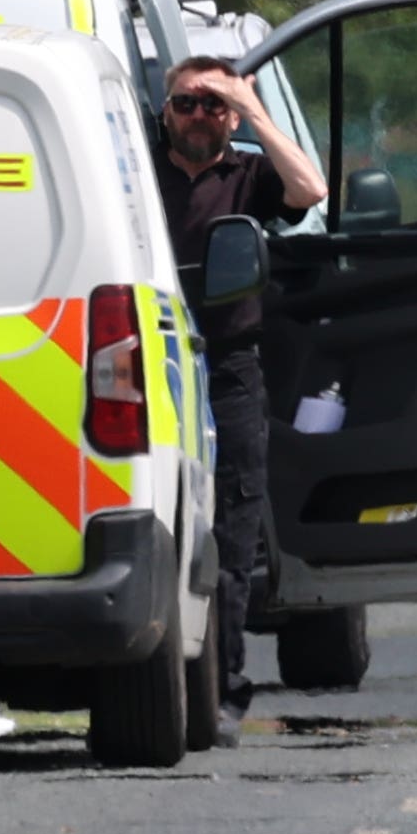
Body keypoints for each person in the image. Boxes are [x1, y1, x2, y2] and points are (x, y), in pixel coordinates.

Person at [153, 57, 323, 731]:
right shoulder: (134, 169)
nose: (200, 115)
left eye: (212, 105)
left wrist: (250, 107)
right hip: (147, 359)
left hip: (228, 369)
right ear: (164, 110)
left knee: (231, 532)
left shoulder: (249, 173)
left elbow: (309, 190)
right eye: (187, 103)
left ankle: (220, 691)